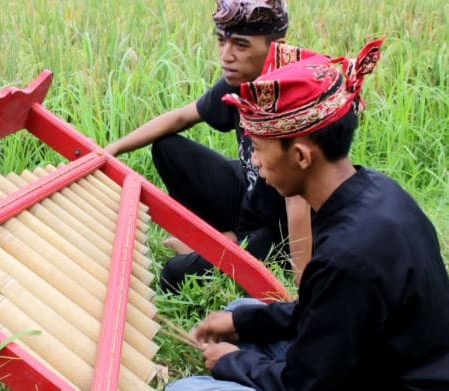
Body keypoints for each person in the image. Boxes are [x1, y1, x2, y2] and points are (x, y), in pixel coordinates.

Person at [167, 39, 449, 390]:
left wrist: (231, 361)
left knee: (186, 389)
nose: (254, 162)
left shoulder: (347, 258)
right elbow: (318, 311)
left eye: (257, 149)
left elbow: (303, 385)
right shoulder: (378, 190)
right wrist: (242, 323)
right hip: (378, 355)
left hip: (386, 379)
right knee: (242, 310)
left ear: (301, 156)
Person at [105, 0, 313, 292]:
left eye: (240, 45)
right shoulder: (239, 81)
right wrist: (111, 149)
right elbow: (180, 117)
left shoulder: (290, 102)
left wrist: (303, 287)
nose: (226, 56)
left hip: (276, 228)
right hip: (251, 195)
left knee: (174, 275)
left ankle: (234, 241)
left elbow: (298, 203)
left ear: (276, 46)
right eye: (222, 41)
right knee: (167, 148)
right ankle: (227, 235)